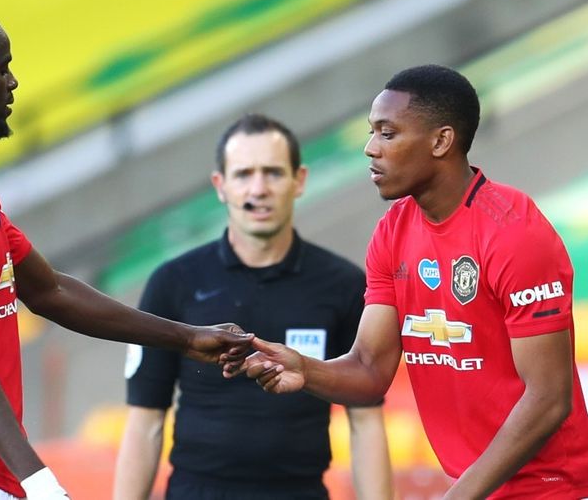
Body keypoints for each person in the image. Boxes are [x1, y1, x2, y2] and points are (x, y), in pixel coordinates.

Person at [0, 3, 253, 500]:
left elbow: (50, 291)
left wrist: (188, 339)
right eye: (2, 68)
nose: (13, 83)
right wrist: (42, 483)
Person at [235, 65, 588, 499]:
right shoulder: (392, 231)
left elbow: (549, 399)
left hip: (560, 488)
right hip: (475, 490)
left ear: (441, 141)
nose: (370, 148)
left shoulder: (515, 232)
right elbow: (368, 366)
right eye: (372, 132)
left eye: (387, 133)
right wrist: (304, 368)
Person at [113, 114, 392, 500]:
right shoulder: (172, 283)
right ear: (220, 185)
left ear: (299, 180)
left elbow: (366, 420)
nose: (258, 188)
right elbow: (146, 420)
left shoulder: (344, 285)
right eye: (244, 174)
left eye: (273, 173)